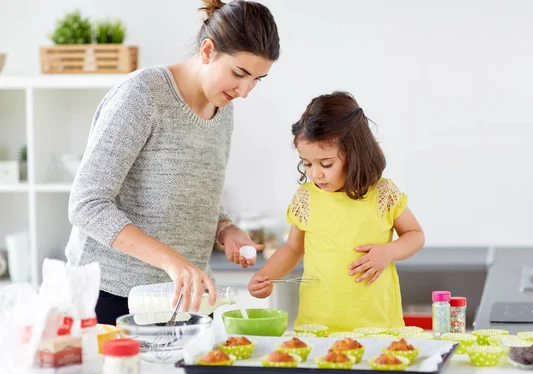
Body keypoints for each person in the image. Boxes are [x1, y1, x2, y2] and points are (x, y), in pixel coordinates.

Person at [66, 0, 280, 325]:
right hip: (110, 295)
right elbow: (87, 205)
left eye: (257, 79)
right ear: (207, 51)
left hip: (182, 299)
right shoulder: (144, 94)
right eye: (239, 73)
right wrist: (173, 262)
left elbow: (190, 194)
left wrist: (225, 229)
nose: (246, 90)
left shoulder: (223, 109)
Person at [248, 92, 425, 332]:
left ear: (355, 155)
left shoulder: (383, 193)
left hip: (377, 326)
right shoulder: (307, 198)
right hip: (318, 326)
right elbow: (293, 248)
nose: (315, 174)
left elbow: (414, 234)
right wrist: (265, 277)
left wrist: (389, 251)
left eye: (326, 164)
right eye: (307, 164)